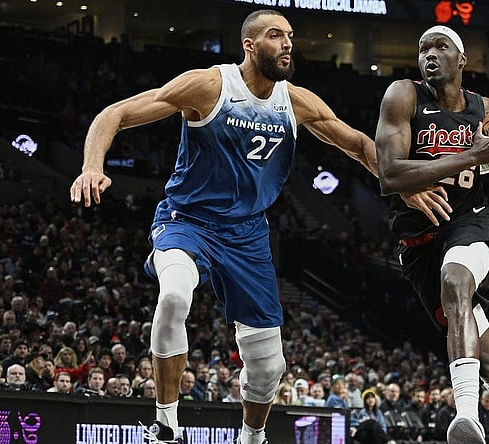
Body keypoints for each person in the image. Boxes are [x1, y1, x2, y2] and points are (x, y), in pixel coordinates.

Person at [69, 8, 432, 444]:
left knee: (269, 366)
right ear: (250, 45)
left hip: (248, 236)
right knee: (174, 295)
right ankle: (166, 424)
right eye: (276, 35)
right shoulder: (209, 85)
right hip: (189, 221)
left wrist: (403, 183)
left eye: (290, 36)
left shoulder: (296, 101)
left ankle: (252, 438)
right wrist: (92, 166)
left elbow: (357, 144)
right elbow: (115, 113)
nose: (287, 44)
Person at [374, 24, 489, 444]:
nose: (430, 54)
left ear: (461, 60)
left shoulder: (486, 109)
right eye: (423, 47)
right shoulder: (403, 95)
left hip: (469, 222)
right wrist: (474, 154)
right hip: (419, 244)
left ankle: (466, 417)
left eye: (441, 47)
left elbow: (485, 164)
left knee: (456, 279)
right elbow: (389, 173)